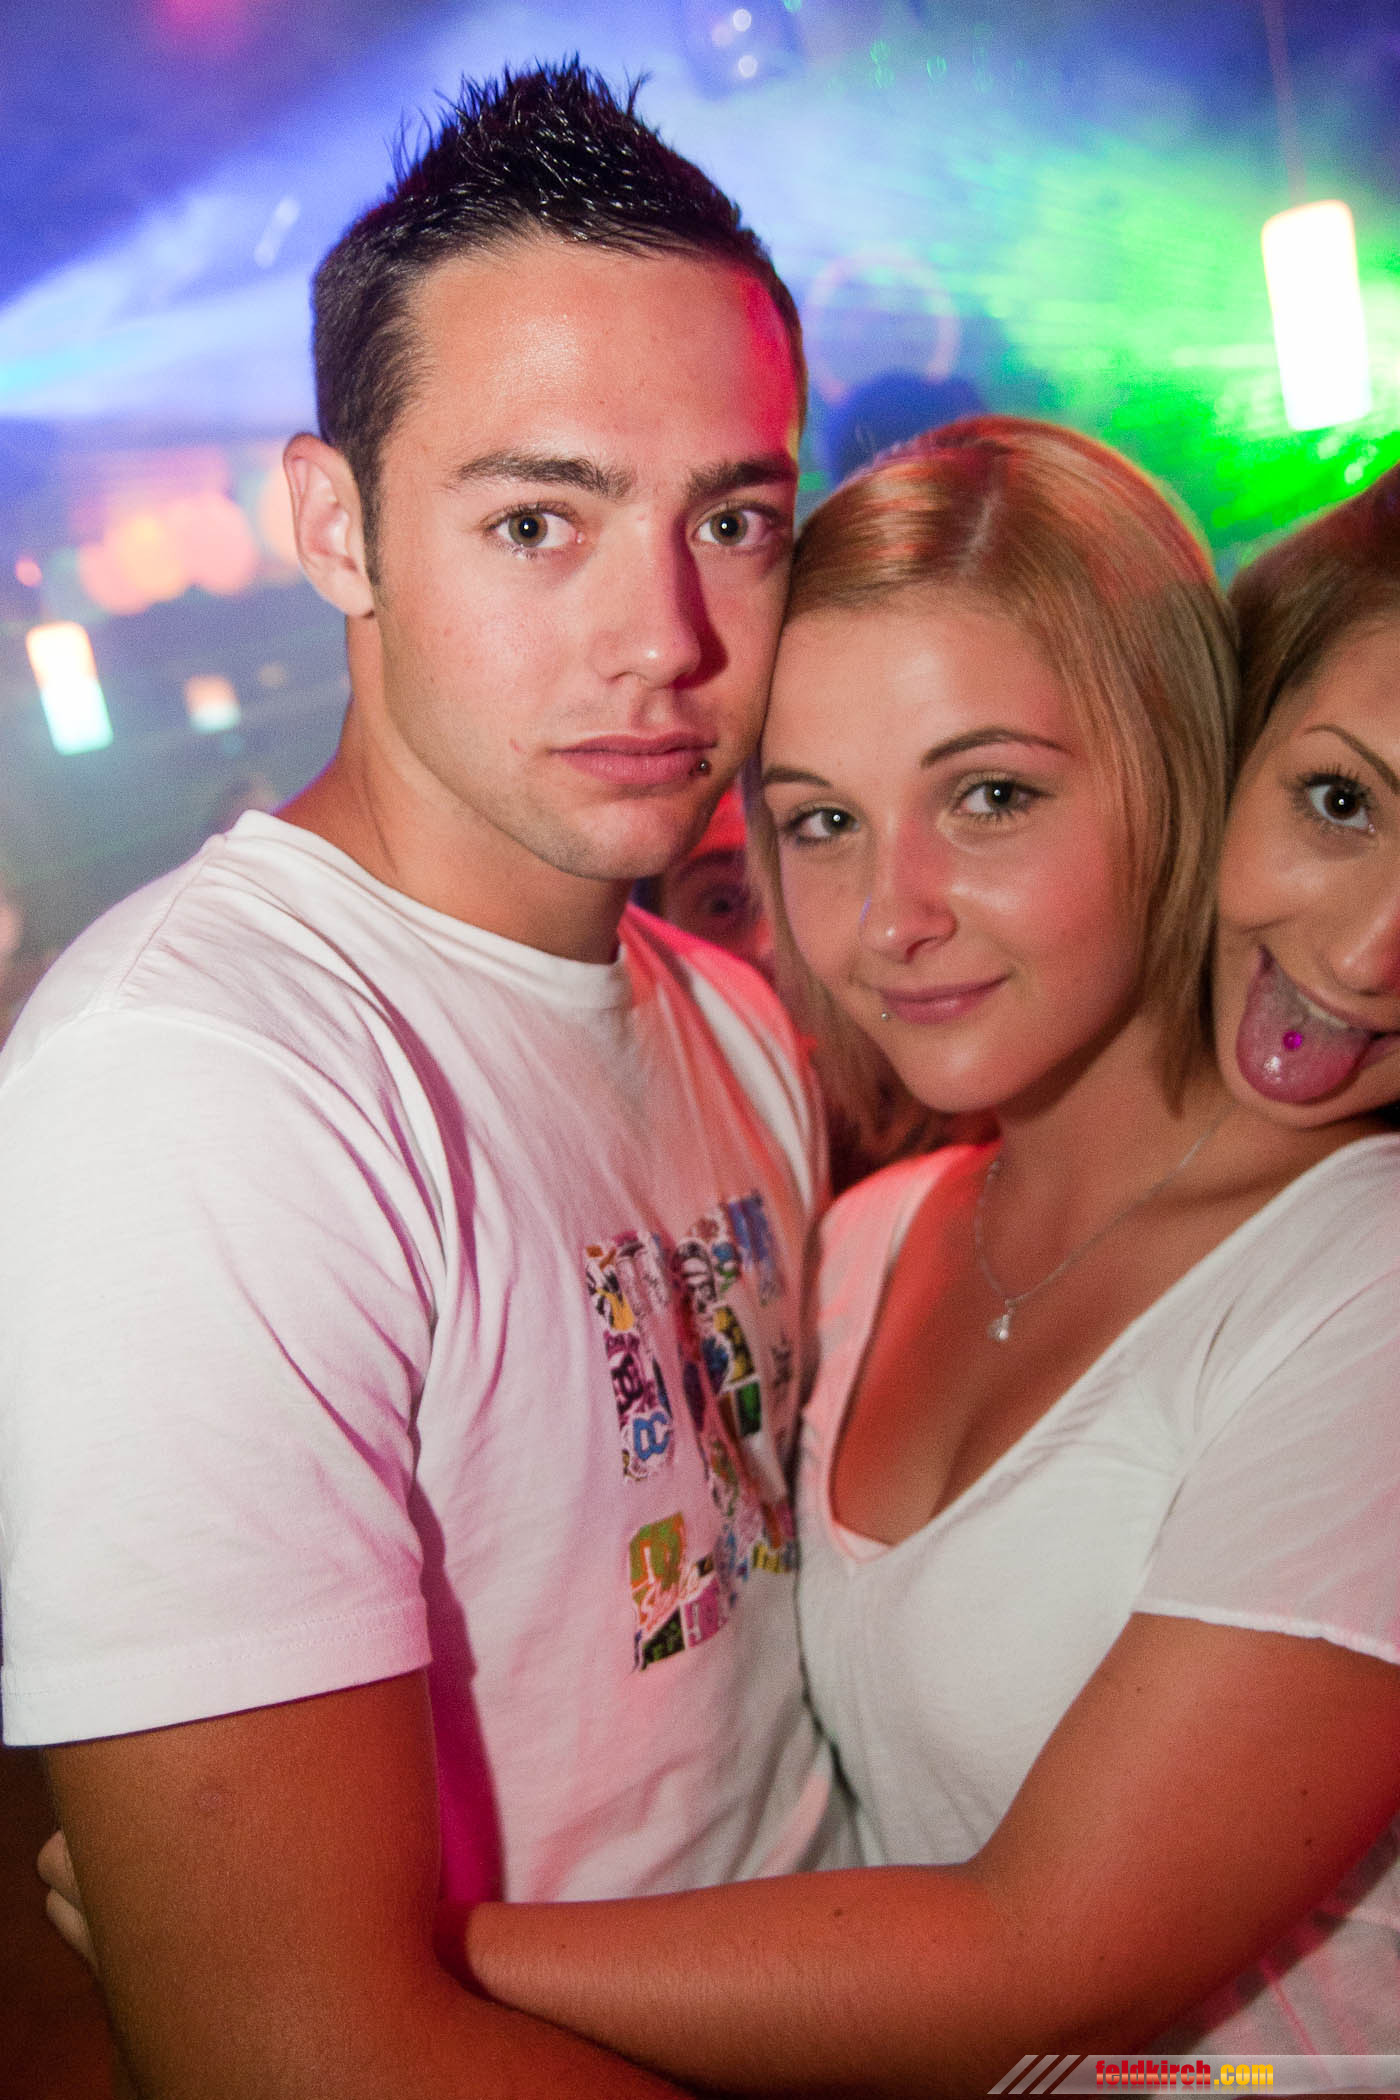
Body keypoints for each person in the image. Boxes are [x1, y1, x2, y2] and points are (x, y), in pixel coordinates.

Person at [0, 63, 855, 2099]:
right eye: (536, 520)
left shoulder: (726, 1011)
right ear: (336, 526)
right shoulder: (192, 1091)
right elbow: (292, 2046)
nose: (663, 639)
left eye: (731, 521)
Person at [420, 423, 1400, 2088]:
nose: (895, 915)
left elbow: (1048, 1956)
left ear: (1181, 765)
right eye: (821, 822)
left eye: (990, 796)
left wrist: (381, 1948)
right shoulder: (866, 1249)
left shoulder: (1358, 1278)